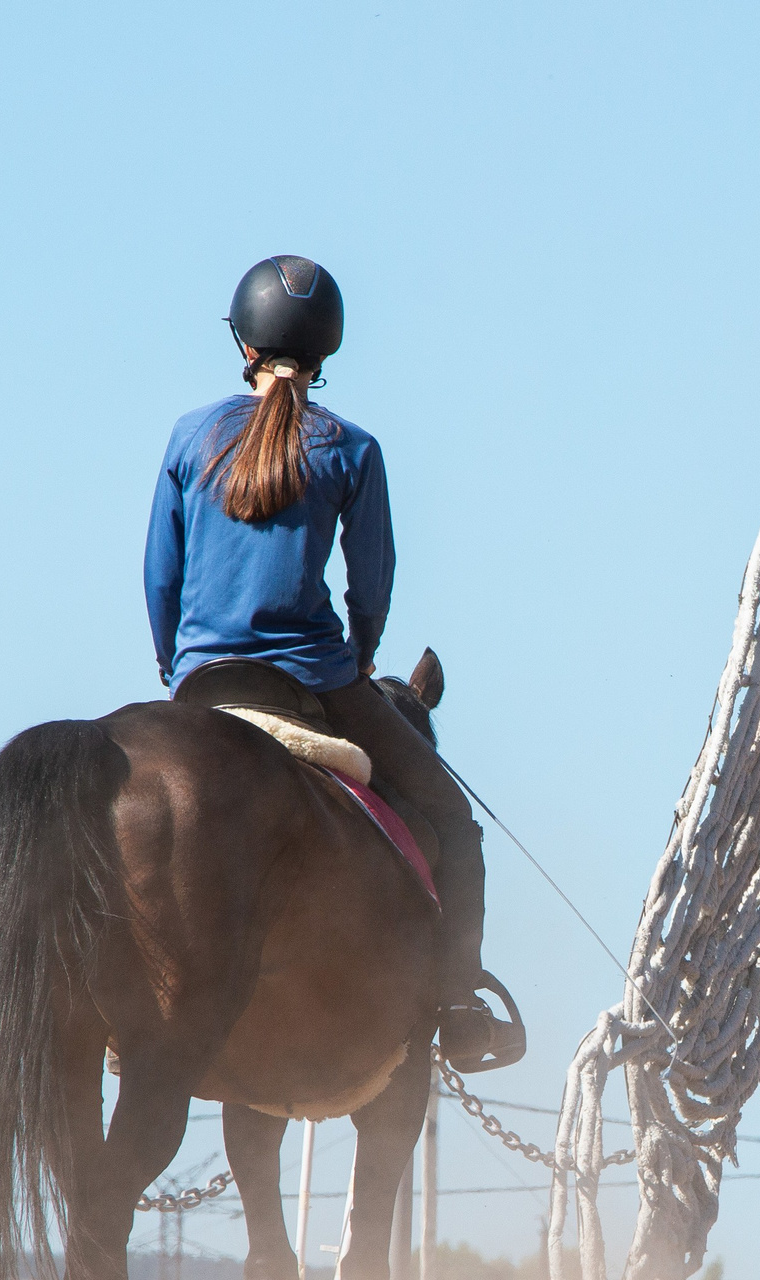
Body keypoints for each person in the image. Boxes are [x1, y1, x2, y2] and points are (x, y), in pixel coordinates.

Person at [143, 254, 522, 1071]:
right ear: (325, 353)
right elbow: (372, 583)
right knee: (453, 824)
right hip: (312, 678)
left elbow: (159, 577)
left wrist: (177, 662)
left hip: (203, 682)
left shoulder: (187, 437)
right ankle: (458, 1006)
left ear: (242, 342)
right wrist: (361, 656)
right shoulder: (352, 449)